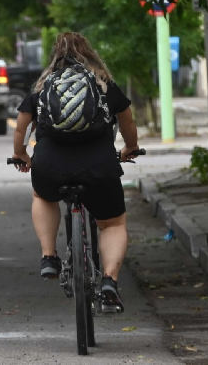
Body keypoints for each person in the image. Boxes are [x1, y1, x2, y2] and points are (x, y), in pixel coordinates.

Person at [11, 31, 141, 313]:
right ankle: (109, 280)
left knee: (43, 196)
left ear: (54, 55)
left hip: (50, 164)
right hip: (99, 165)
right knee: (112, 223)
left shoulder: (44, 85)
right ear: (90, 52)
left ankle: (48, 257)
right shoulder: (103, 84)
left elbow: (21, 127)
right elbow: (127, 120)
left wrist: (21, 155)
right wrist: (131, 147)